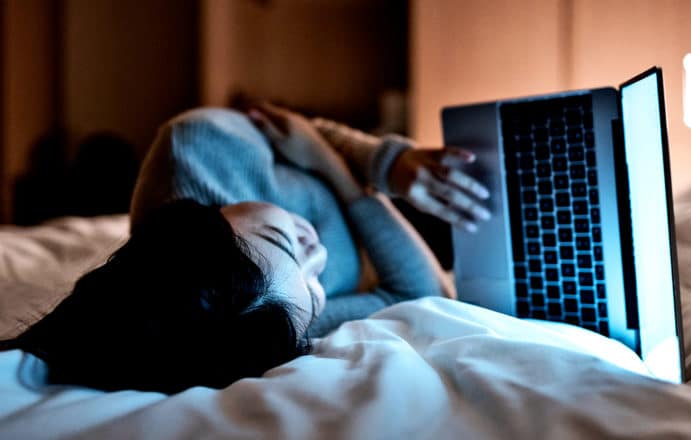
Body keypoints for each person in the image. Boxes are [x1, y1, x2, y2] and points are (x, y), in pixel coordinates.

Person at [15, 103, 490, 393]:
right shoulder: (266, 318)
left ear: (202, 222)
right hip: (393, 227)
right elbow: (428, 293)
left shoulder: (198, 146)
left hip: (397, 191)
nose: (317, 255)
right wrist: (339, 177)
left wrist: (387, 164)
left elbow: (295, 129)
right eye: (316, 291)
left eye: (279, 238)